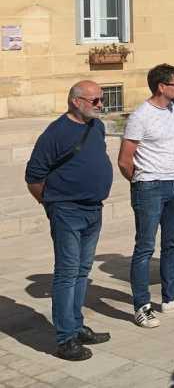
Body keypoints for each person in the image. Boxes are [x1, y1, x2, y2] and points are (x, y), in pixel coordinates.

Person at [25, 81, 114, 361]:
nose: (101, 105)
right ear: (76, 101)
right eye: (95, 100)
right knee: (67, 272)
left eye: (102, 99)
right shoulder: (55, 133)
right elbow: (34, 176)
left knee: (82, 270)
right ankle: (65, 339)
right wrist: (51, 204)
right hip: (67, 211)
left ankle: (76, 326)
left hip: (93, 209)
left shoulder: (96, 127)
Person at [119, 64, 174, 328]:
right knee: (145, 247)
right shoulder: (140, 116)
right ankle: (142, 306)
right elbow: (124, 159)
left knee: (172, 243)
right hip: (149, 186)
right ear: (161, 87)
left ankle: (171, 297)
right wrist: (141, 181)